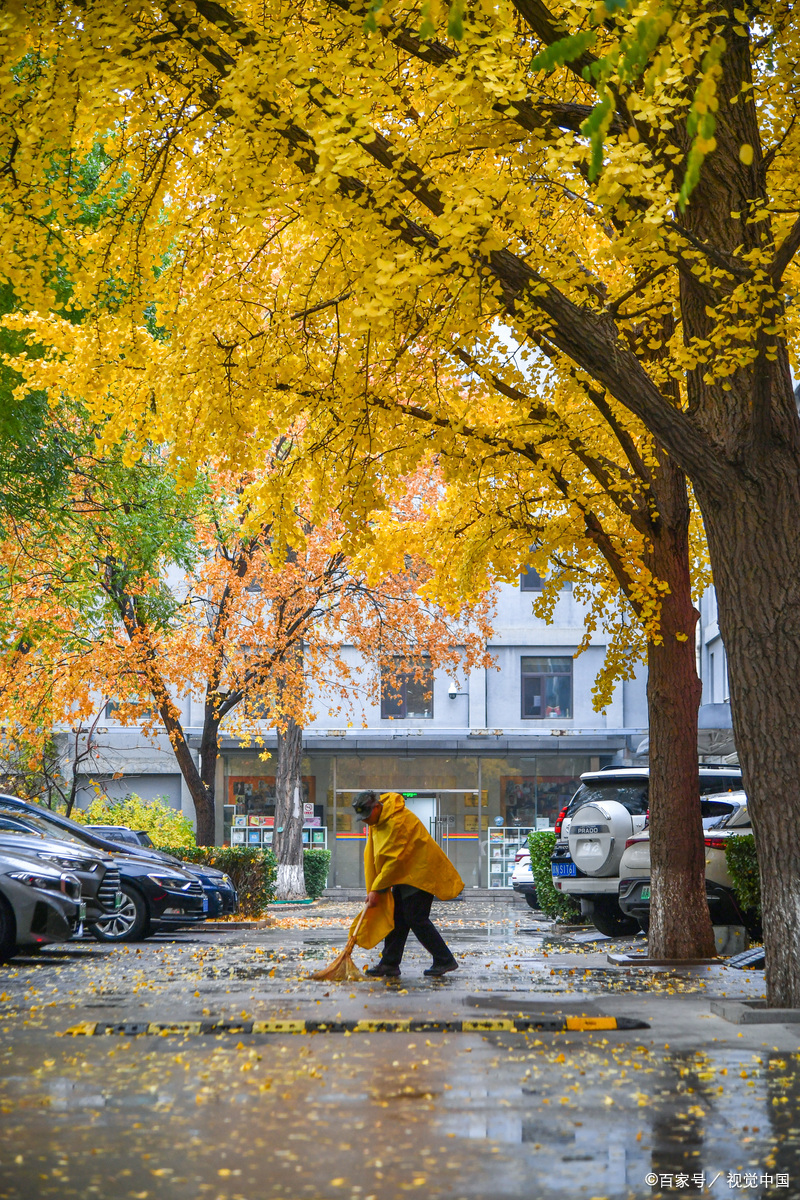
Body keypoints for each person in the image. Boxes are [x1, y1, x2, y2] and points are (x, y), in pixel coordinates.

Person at [349, 790, 463, 978]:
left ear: (376, 807)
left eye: (367, 816)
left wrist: (377, 889)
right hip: (404, 875)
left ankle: (444, 959)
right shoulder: (380, 821)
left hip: (420, 873)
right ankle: (389, 963)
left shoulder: (397, 821)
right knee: (397, 919)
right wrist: (375, 887)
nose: (365, 821)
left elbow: (394, 861)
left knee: (415, 917)